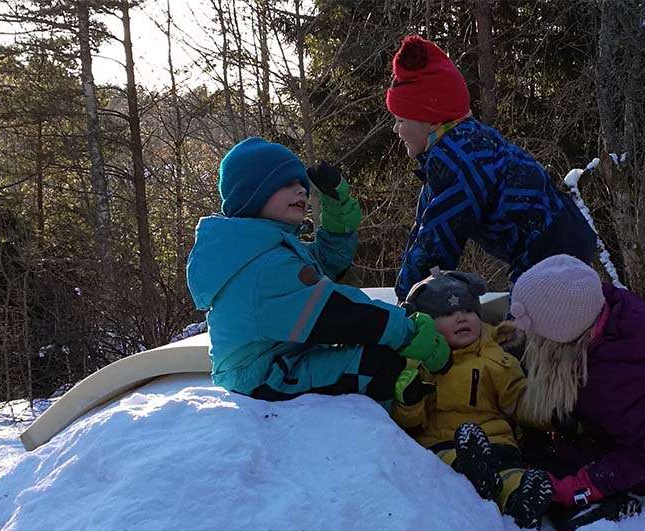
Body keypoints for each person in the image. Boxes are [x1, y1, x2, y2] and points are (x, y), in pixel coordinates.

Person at [186, 137, 449, 402]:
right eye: (287, 183)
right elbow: (337, 313)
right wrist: (408, 331)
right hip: (258, 380)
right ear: (254, 194)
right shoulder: (266, 268)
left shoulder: (264, 249)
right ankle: (396, 431)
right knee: (376, 366)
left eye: (301, 183)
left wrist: (338, 209)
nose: (301, 190)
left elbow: (327, 260)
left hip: (278, 361)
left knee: (373, 350)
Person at [385, 34, 598, 301]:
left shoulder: (458, 160)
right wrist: (404, 294)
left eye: (401, 119)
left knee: (524, 330)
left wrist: (407, 304)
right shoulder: (458, 145)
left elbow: (437, 245)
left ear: (429, 121)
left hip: (551, 252)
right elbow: (424, 229)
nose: (396, 129)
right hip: (557, 242)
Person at [508, 254, 645, 512]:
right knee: (538, 444)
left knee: (542, 464)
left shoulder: (614, 380)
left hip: (643, 467)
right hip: (616, 431)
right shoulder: (594, 309)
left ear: (561, 336)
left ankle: (596, 507)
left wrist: (582, 486)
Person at [391, 269, 553, 528]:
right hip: (444, 445)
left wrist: (550, 416)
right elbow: (409, 423)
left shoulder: (496, 358)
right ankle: (476, 474)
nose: (460, 318)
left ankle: (520, 498)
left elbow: (519, 402)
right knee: (452, 464)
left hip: (498, 442)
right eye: (446, 314)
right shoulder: (419, 364)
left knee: (510, 475)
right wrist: (409, 401)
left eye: (468, 311)